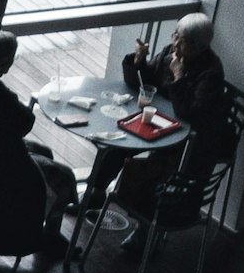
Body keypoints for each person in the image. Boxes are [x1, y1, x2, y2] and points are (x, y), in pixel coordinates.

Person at [84, 14, 234, 214]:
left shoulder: (211, 73)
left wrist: (179, 77)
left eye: (185, 41)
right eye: (176, 36)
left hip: (185, 137)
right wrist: (138, 61)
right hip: (157, 122)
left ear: (200, 47)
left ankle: (144, 229)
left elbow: (191, 113)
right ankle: (95, 195)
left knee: (152, 172)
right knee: (115, 147)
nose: (176, 45)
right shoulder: (169, 52)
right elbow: (143, 84)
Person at [0, 33, 78, 263]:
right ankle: (50, 235)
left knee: (44, 152)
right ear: (4, 63)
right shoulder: (1, 97)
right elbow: (24, 122)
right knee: (64, 176)